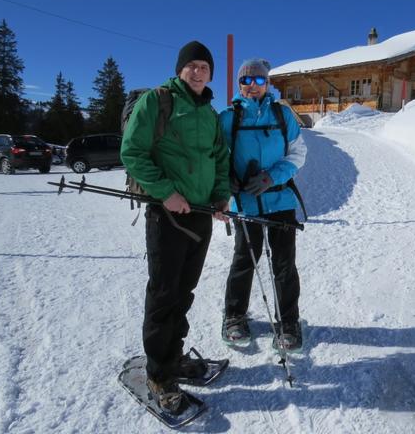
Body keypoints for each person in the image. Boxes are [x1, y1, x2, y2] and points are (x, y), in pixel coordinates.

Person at [120, 40, 230, 413]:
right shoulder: (159, 100)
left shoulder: (209, 114)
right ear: (180, 69)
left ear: (210, 73)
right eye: (192, 66)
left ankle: (175, 356)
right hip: (167, 214)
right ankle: (158, 373)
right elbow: (132, 152)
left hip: (199, 214)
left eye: (204, 67)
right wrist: (166, 193)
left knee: (185, 292)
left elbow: (219, 157)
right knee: (165, 294)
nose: (198, 71)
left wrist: (220, 195)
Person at [219, 58, 307, 351]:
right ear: (239, 84)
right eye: (247, 80)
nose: (253, 85)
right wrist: (226, 178)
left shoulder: (283, 115)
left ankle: (289, 322)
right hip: (246, 201)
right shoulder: (228, 118)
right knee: (245, 260)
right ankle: (233, 317)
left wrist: (271, 177)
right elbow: (217, 156)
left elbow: (297, 154)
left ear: (268, 84)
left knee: (284, 264)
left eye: (259, 80)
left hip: (280, 199)